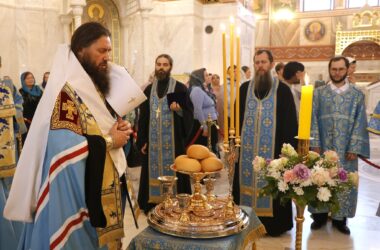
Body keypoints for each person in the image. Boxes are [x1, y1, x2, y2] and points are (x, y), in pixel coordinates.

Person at [4, 22, 137, 249]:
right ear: (81, 51)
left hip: (100, 189)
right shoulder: (65, 94)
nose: (107, 57)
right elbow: (62, 149)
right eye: (101, 51)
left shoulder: (94, 87)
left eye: (109, 51)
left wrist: (120, 132)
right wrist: (110, 140)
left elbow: (101, 129)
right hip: (76, 197)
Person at [233, 49, 298, 236]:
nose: (260, 65)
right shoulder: (244, 89)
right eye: (257, 62)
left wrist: (287, 154)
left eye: (263, 62)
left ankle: (273, 225)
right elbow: (235, 121)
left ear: (271, 64)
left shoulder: (283, 90)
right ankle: (246, 221)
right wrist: (233, 145)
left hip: (274, 153)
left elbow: (290, 123)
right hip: (246, 153)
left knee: (273, 185)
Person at [309, 56, 370, 235]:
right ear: (329, 70)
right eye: (333, 69)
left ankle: (340, 219)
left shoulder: (357, 95)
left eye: (340, 69)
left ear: (347, 70)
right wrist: (315, 144)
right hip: (322, 147)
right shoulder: (318, 93)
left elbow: (360, 122)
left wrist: (354, 147)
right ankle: (319, 217)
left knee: (344, 181)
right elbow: (312, 119)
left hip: (346, 150)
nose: (337, 73)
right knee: (319, 179)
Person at [137, 54, 193, 214]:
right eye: (159, 64)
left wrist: (180, 111)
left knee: (175, 169)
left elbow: (189, 114)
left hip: (173, 143)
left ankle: (177, 201)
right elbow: (143, 118)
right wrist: (142, 140)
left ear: (170, 67)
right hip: (153, 144)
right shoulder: (149, 90)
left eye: (165, 65)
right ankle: (152, 204)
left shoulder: (179, 88)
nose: (161, 67)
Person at [0, 78, 26, 249]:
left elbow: (19, 104)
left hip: (8, 148)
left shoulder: (7, 84)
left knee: (9, 191)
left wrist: (17, 124)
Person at [187, 68, 218, 154]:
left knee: (212, 147)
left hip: (211, 122)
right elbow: (197, 110)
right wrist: (204, 127)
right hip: (205, 124)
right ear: (199, 77)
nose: (209, 77)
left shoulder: (202, 89)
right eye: (206, 75)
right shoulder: (196, 90)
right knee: (205, 150)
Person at [19, 71, 43, 141]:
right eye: (27, 78)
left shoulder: (39, 90)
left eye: (32, 77)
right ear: (23, 81)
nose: (30, 79)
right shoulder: (21, 92)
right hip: (27, 122)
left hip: (39, 121)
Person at [211, 74, 224, 143]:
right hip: (214, 109)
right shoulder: (210, 88)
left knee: (222, 124)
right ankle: (216, 141)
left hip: (222, 108)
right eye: (213, 78)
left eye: (217, 78)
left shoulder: (223, 87)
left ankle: (222, 141)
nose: (216, 79)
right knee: (216, 124)